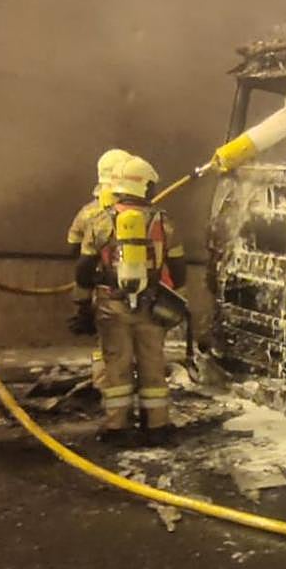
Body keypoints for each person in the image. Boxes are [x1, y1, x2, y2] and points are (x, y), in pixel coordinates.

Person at [75, 155, 186, 446]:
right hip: (151, 308)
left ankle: (117, 428)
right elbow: (180, 270)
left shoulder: (100, 221)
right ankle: (157, 427)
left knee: (117, 367)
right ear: (145, 187)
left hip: (112, 306)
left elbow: (83, 269)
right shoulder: (164, 222)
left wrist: (84, 302)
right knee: (152, 364)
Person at [68, 149, 132, 386]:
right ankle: (117, 390)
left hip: (99, 287)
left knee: (104, 340)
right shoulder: (142, 212)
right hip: (134, 290)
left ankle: (104, 387)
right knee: (125, 344)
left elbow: (74, 250)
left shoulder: (88, 212)